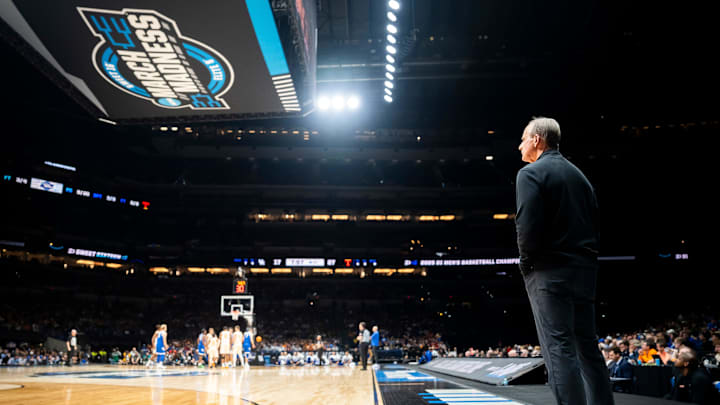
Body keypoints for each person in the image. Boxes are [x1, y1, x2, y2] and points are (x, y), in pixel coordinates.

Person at [515, 117, 614, 405]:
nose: (519, 144)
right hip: (584, 271)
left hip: (548, 271)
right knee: (587, 346)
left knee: (558, 348)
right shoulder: (581, 177)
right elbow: (595, 225)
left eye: (523, 138)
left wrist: (525, 263)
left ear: (537, 140)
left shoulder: (529, 174)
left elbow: (527, 225)